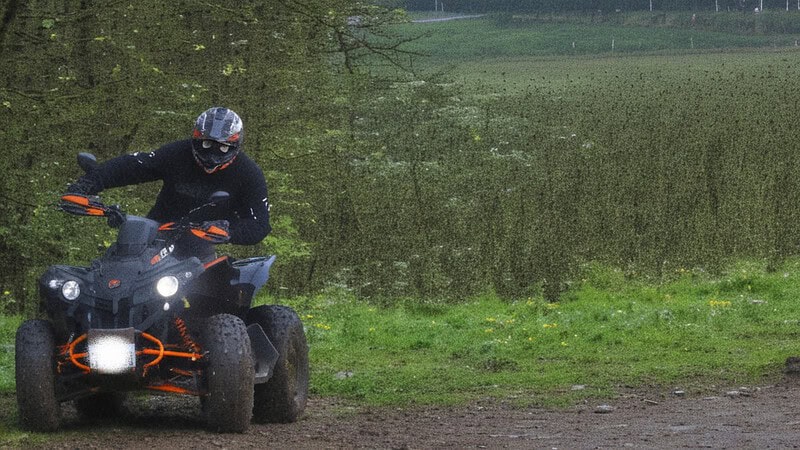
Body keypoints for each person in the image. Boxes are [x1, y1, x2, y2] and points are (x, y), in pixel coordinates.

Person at [65, 106, 271, 261]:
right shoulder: (177, 153)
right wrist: (88, 183)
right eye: (206, 144)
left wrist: (229, 230)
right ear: (196, 138)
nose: (212, 155)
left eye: (223, 148)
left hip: (199, 245)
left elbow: (260, 224)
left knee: (207, 302)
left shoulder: (249, 173)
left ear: (235, 145)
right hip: (153, 234)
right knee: (110, 270)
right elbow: (133, 166)